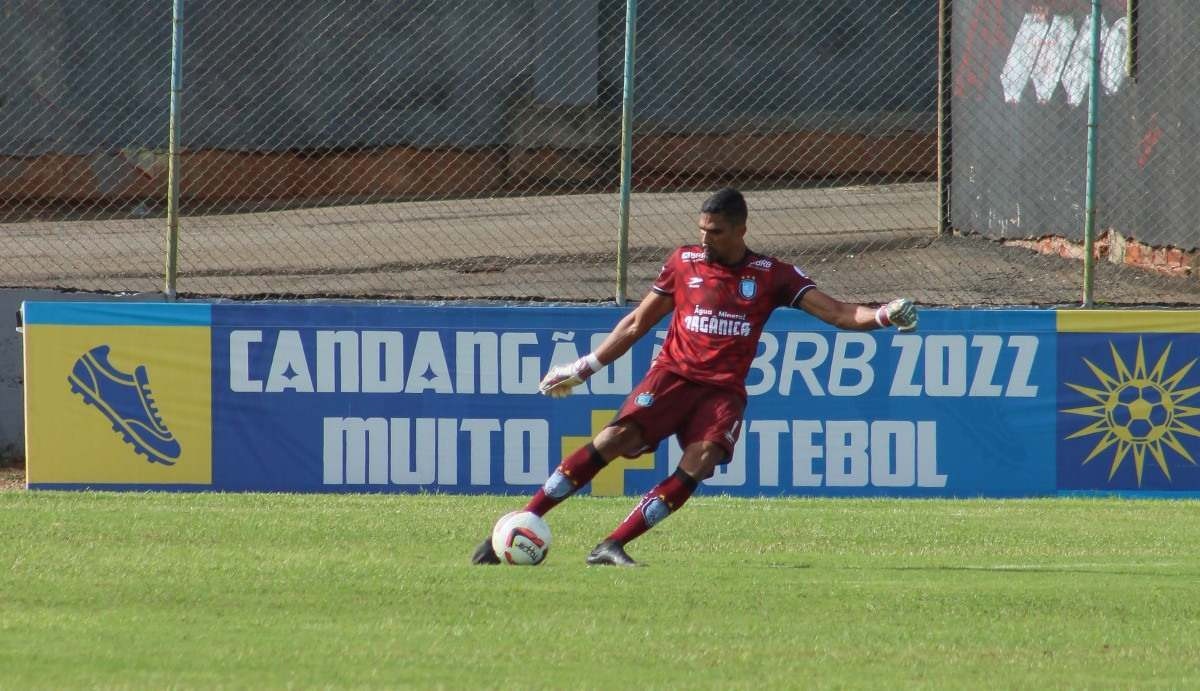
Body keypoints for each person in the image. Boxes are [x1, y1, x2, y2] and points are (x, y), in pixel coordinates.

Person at [472, 188, 917, 567]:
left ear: (741, 230)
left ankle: (611, 544)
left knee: (701, 461)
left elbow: (837, 312)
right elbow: (635, 324)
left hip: (722, 391)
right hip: (672, 377)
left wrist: (882, 315)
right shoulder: (683, 263)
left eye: (715, 233)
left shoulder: (771, 275)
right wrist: (583, 367)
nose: (705, 240)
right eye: (702, 230)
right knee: (614, 441)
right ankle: (523, 520)